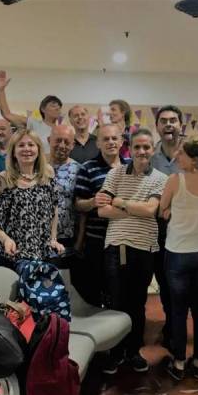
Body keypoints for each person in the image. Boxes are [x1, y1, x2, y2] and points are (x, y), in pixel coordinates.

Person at [97, 128, 167, 374]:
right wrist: (133, 207)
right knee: (116, 303)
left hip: (145, 248)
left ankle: (133, 351)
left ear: (153, 149)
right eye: (137, 147)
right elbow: (102, 211)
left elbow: (151, 211)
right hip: (116, 247)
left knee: (137, 303)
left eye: (146, 147)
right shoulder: (115, 174)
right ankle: (116, 352)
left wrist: (120, 202)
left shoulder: (160, 178)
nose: (142, 152)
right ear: (130, 148)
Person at [159, 137, 198, 380]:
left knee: (179, 311)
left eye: (181, 153)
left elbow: (162, 210)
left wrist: (171, 210)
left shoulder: (175, 180)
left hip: (179, 252)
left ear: (194, 160)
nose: (176, 156)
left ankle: (180, 363)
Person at [0, 129, 64, 271]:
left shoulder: (48, 173)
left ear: (38, 149)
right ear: (13, 152)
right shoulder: (3, 178)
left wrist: (53, 239)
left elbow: (54, 210)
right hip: (10, 254)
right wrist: (5, 239)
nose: (27, 149)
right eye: (21, 145)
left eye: (31, 145)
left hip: (41, 253)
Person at [73, 123, 128, 306]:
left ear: (121, 142)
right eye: (106, 139)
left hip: (126, 240)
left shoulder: (132, 166)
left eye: (114, 138)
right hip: (97, 242)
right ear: (97, 143)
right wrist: (92, 201)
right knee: (96, 291)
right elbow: (78, 205)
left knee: (122, 292)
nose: (111, 142)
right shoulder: (87, 168)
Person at [150, 105, 184, 352]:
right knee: (164, 281)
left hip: (187, 232)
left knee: (182, 285)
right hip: (158, 230)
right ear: (157, 127)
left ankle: (178, 327)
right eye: (164, 121)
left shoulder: (194, 155)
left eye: (173, 120)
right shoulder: (149, 158)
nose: (169, 124)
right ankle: (171, 325)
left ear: (181, 124)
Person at [0, 70, 62, 157]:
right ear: (43, 109)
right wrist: (1, 90)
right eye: (53, 105)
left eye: (59, 106)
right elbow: (7, 114)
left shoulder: (62, 130)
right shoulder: (34, 123)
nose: (57, 108)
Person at [48, 125, 80, 248]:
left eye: (67, 142)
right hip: (37, 234)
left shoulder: (78, 170)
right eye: (58, 140)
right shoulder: (36, 166)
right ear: (49, 140)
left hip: (66, 237)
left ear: (72, 145)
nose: (62, 145)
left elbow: (80, 208)